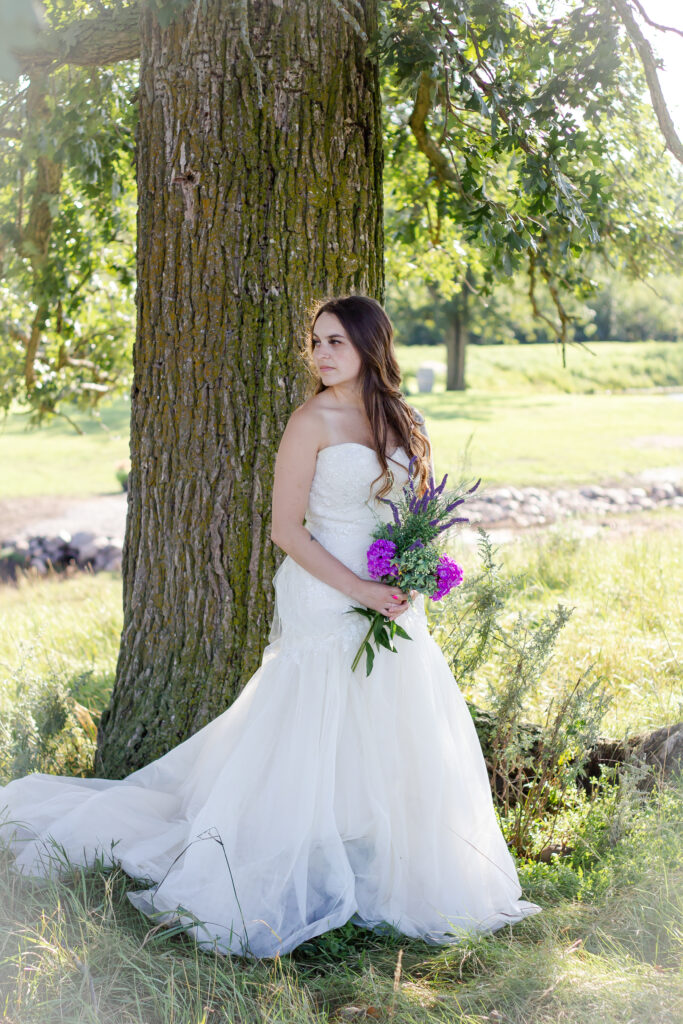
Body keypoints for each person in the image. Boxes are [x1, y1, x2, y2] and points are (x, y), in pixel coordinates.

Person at [0, 294, 540, 958]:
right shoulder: (308, 421)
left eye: (334, 341)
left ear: (371, 345)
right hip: (326, 588)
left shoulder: (405, 417)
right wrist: (359, 590)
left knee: (393, 716)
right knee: (311, 719)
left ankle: (378, 861)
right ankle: (294, 854)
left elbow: (411, 513)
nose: (320, 353)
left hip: (391, 597)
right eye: (314, 342)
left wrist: (411, 571)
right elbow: (287, 530)